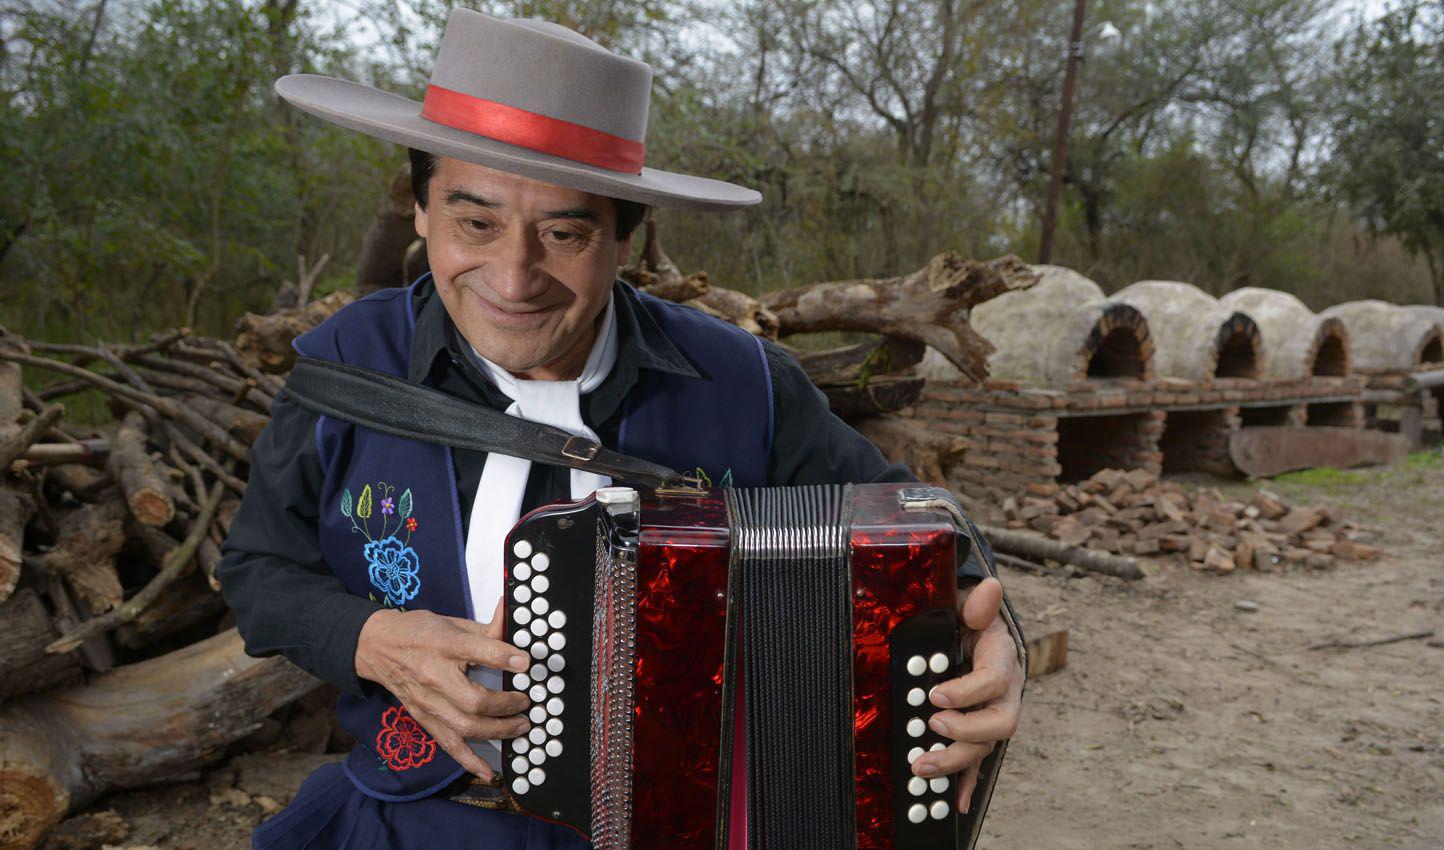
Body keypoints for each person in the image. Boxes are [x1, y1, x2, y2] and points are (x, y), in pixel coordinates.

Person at [219, 9, 1024, 849]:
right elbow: (257, 572)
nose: (513, 275)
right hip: (416, 822)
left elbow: (929, 537)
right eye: (475, 221)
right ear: (421, 211)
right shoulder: (348, 364)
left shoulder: (743, 385)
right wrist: (370, 639)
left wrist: (998, 643)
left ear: (623, 239)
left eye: (565, 232)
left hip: (692, 826)